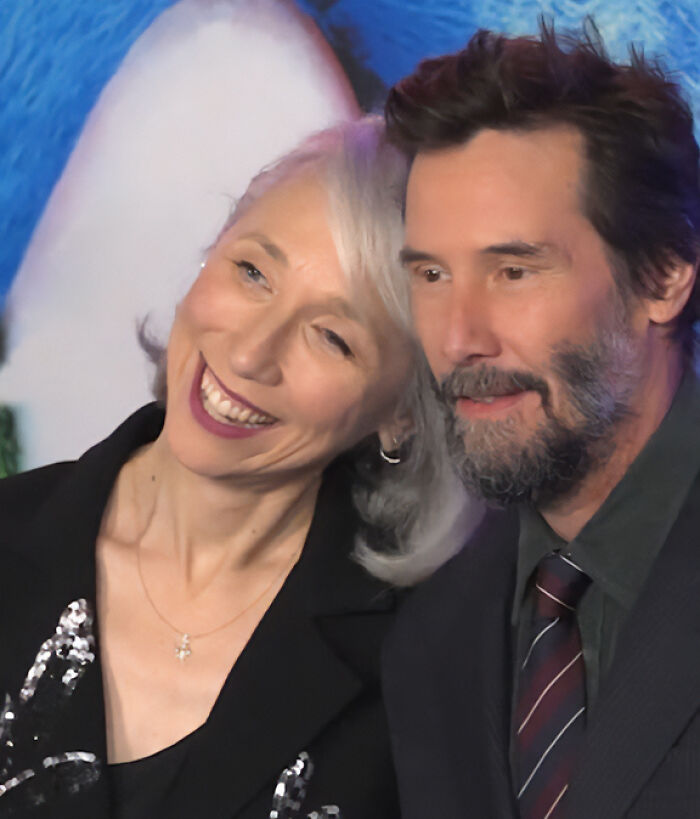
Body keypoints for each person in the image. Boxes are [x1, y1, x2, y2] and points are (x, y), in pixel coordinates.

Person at [0, 117, 455, 819]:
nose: (248, 354)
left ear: (401, 410)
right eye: (252, 272)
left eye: (332, 336)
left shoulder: (431, 664)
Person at [379, 22, 700, 819]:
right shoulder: (429, 644)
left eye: (513, 270)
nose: (458, 338)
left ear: (663, 275)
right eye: (431, 274)